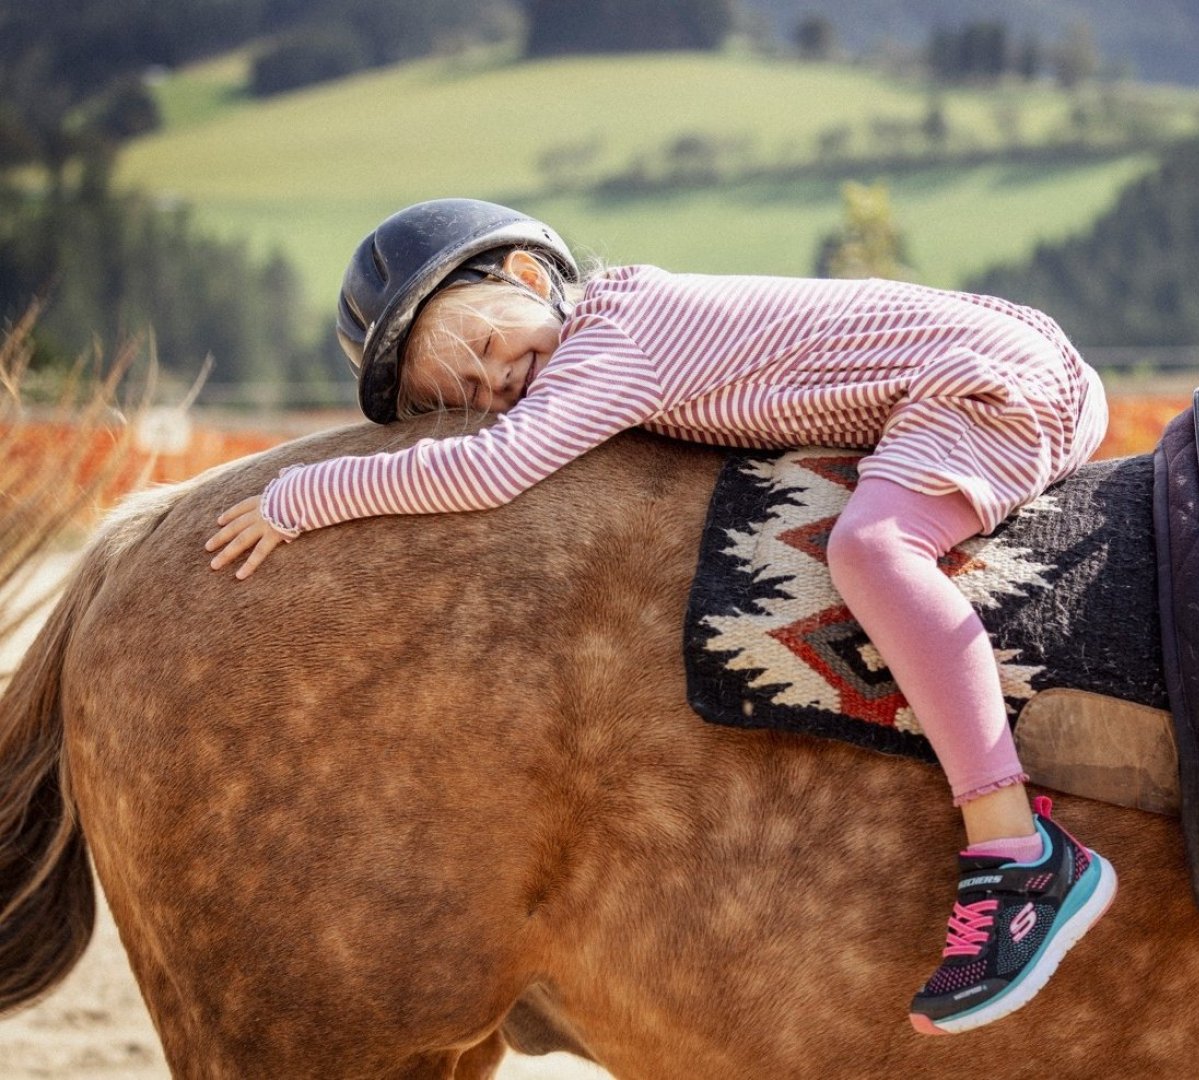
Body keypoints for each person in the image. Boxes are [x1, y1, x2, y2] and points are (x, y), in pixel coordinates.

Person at [205, 197, 1117, 1034]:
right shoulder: (626, 331)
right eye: (469, 395)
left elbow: (492, 469)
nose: (495, 390)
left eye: (483, 351)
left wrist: (307, 494)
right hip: (996, 370)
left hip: (987, 381)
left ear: (529, 277)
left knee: (871, 550)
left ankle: (1020, 851)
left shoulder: (616, 339)